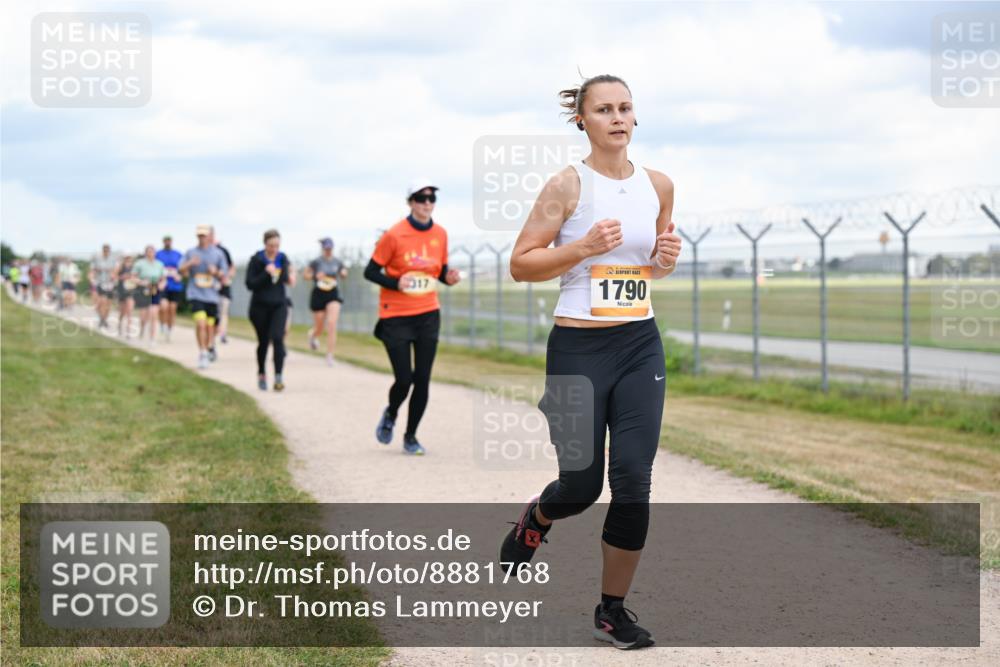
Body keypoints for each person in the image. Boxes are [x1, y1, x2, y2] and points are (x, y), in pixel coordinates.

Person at [498, 75, 682, 651]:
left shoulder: (659, 185)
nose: (617, 117)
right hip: (578, 349)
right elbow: (522, 264)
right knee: (581, 486)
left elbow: (648, 268)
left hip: (638, 345)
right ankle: (538, 518)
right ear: (582, 120)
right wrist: (581, 248)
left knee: (633, 482)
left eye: (626, 107)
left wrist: (664, 260)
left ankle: (612, 611)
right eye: (604, 109)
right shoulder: (566, 185)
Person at [364, 178, 461, 455]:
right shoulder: (394, 235)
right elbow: (370, 271)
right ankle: (392, 412)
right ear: (410, 202)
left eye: (432, 199)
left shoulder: (440, 234)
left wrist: (449, 277)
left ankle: (411, 436)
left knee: (423, 378)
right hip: (396, 315)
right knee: (404, 378)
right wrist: (397, 283)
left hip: (428, 313)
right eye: (421, 198)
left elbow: (439, 271)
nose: (427, 203)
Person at [245, 229, 294, 391]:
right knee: (264, 342)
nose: (274, 249)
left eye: (277, 245)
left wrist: (289, 275)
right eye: (271, 245)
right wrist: (266, 273)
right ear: (265, 244)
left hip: (279, 304)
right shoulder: (256, 260)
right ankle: (261, 373)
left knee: (278, 338)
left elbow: (285, 279)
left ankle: (278, 376)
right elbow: (250, 284)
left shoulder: (282, 258)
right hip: (259, 307)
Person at [180, 225, 229, 369]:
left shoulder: (218, 254)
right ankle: (202, 352)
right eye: (199, 235)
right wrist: (190, 263)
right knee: (200, 323)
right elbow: (180, 269)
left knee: (209, 327)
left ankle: (207, 349)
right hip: (195, 294)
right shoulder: (191, 252)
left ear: (209, 236)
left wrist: (215, 272)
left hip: (212, 296)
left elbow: (224, 276)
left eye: (204, 235)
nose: (202, 238)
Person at [305, 237, 348, 366]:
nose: (328, 251)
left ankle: (330, 355)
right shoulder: (316, 262)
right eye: (326, 249)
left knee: (331, 323)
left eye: (330, 249)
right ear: (323, 249)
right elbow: (305, 275)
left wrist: (344, 273)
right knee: (320, 327)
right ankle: (313, 335)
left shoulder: (337, 262)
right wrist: (314, 276)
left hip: (333, 294)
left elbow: (343, 272)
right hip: (318, 294)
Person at [133, 245, 166, 346]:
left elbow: (163, 278)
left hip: (155, 289)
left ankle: (152, 338)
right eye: (149, 251)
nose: (151, 253)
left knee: (153, 314)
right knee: (144, 315)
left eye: (152, 251)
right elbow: (133, 277)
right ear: (146, 252)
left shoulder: (159, 264)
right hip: (143, 289)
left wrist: (162, 285)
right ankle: (142, 330)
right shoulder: (139, 264)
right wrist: (141, 282)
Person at [156, 235, 184, 342]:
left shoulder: (178, 254)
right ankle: (162, 325)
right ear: (163, 242)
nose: (167, 242)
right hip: (163, 285)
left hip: (175, 286)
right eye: (166, 241)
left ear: (171, 242)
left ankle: (169, 330)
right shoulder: (158, 254)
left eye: (169, 241)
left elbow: (183, 269)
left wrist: (180, 275)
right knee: (163, 307)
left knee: (172, 309)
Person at [210, 229, 235, 346]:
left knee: (223, 312)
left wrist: (226, 278)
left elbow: (232, 268)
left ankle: (223, 334)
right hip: (209, 288)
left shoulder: (223, 250)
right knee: (212, 315)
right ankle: (211, 339)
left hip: (223, 287)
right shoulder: (203, 251)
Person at [89, 244, 118, 329]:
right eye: (105, 250)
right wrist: (93, 277)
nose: (106, 252)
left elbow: (116, 270)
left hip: (110, 284)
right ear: (102, 250)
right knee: (101, 302)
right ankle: (102, 319)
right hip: (99, 282)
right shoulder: (97, 258)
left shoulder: (113, 259)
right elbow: (92, 270)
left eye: (107, 250)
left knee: (108, 304)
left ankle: (104, 320)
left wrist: (113, 274)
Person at [115, 255, 136, 338]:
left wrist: (132, 278)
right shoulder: (120, 266)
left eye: (129, 258)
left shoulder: (134, 268)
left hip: (130, 291)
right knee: (122, 312)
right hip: (121, 291)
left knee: (130, 311)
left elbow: (137, 277)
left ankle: (128, 332)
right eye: (127, 258)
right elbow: (114, 276)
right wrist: (121, 277)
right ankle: (119, 326)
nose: (128, 260)